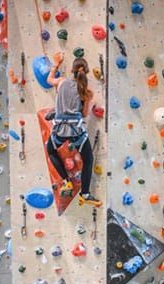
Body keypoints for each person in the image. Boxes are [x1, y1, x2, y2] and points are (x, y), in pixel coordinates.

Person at [46, 52, 101, 207]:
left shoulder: (62, 82)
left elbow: (48, 80)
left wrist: (56, 64)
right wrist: (89, 103)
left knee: (50, 150)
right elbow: (83, 114)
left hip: (60, 131)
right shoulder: (86, 92)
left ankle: (66, 181)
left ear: (72, 70)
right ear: (87, 72)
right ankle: (85, 194)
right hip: (76, 132)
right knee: (88, 160)